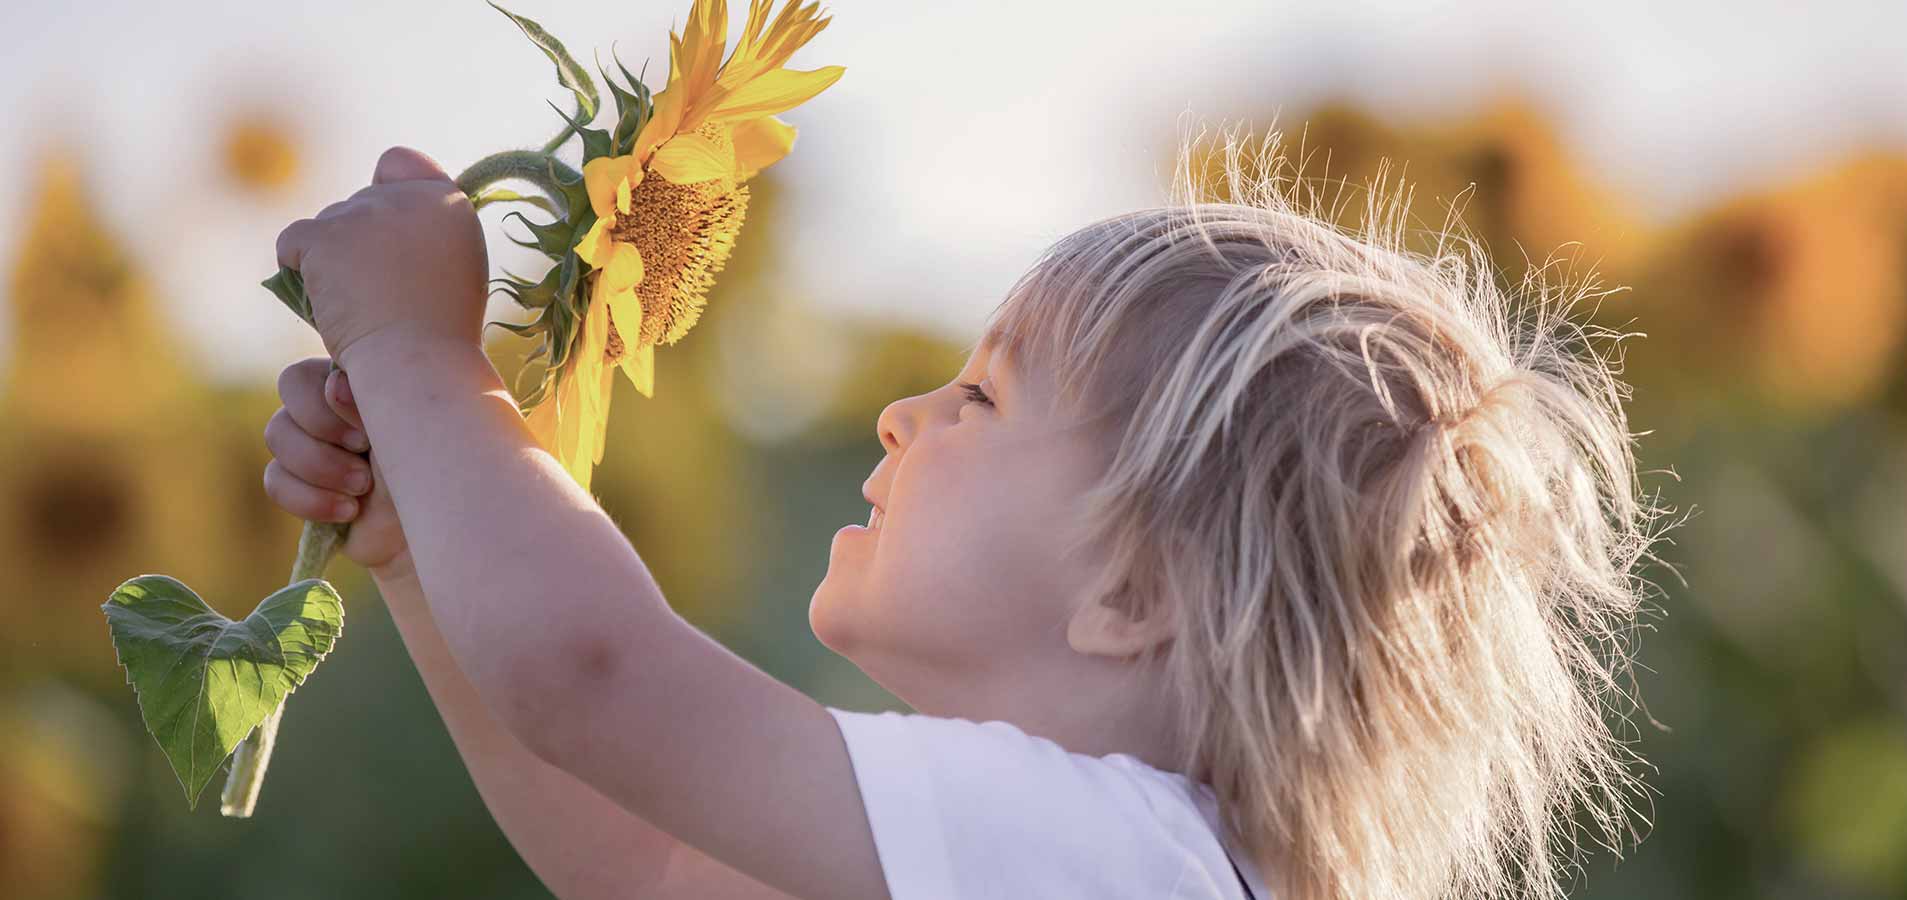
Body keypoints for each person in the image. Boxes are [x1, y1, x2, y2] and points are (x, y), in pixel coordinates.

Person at [259, 128, 1670, 900]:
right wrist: (418, 562)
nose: (903, 416)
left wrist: (417, 356)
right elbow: (651, 864)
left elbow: (592, 673)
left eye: (983, 402)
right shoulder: (1072, 859)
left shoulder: (1106, 860)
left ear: (1134, 592)